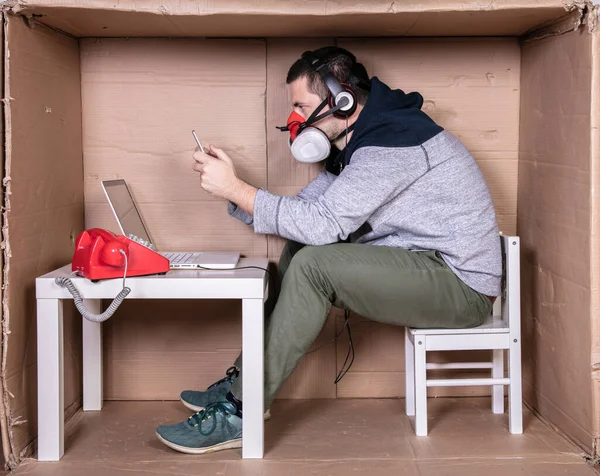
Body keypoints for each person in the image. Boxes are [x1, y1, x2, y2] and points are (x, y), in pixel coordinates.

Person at [155, 46, 501, 455]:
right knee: (301, 248)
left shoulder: (393, 143)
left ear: (343, 99)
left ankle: (240, 413)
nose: (295, 119)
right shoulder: (361, 143)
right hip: (423, 267)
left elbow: (325, 224)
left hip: (459, 286)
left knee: (314, 263)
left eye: (301, 105)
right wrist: (235, 192)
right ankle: (242, 383)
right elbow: (306, 216)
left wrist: (237, 189)